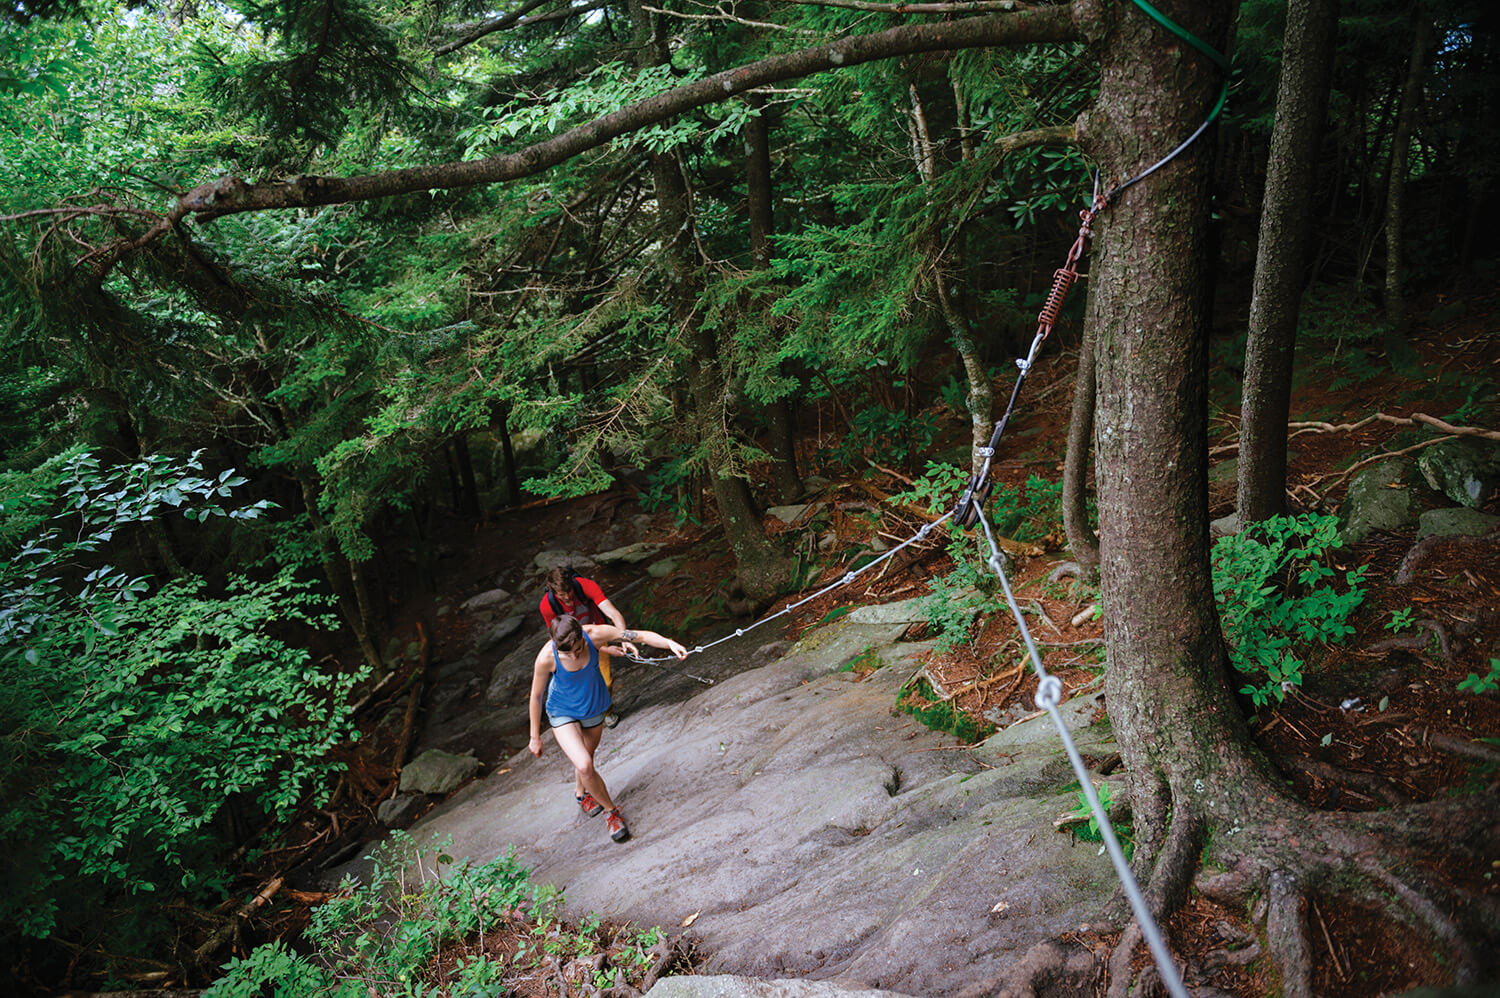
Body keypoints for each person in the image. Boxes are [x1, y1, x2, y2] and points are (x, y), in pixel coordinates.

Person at [528, 614, 686, 843]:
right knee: (584, 764)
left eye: (578, 649)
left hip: (593, 707)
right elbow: (535, 696)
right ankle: (611, 811)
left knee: (587, 759)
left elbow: (639, 635)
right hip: (562, 711)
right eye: (567, 653)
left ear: (583, 637)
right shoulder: (546, 658)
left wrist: (669, 643)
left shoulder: (596, 634)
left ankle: (581, 795)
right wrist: (534, 736)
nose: (574, 655)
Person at [538, 566, 637, 726]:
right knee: (581, 682)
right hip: (572, 645)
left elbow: (613, 613)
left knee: (605, 681)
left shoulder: (585, 586)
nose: (568, 598)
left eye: (569, 592)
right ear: (553, 592)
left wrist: (623, 637)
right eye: (562, 595)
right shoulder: (547, 606)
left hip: (596, 634)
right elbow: (557, 638)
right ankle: (583, 716)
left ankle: (606, 712)